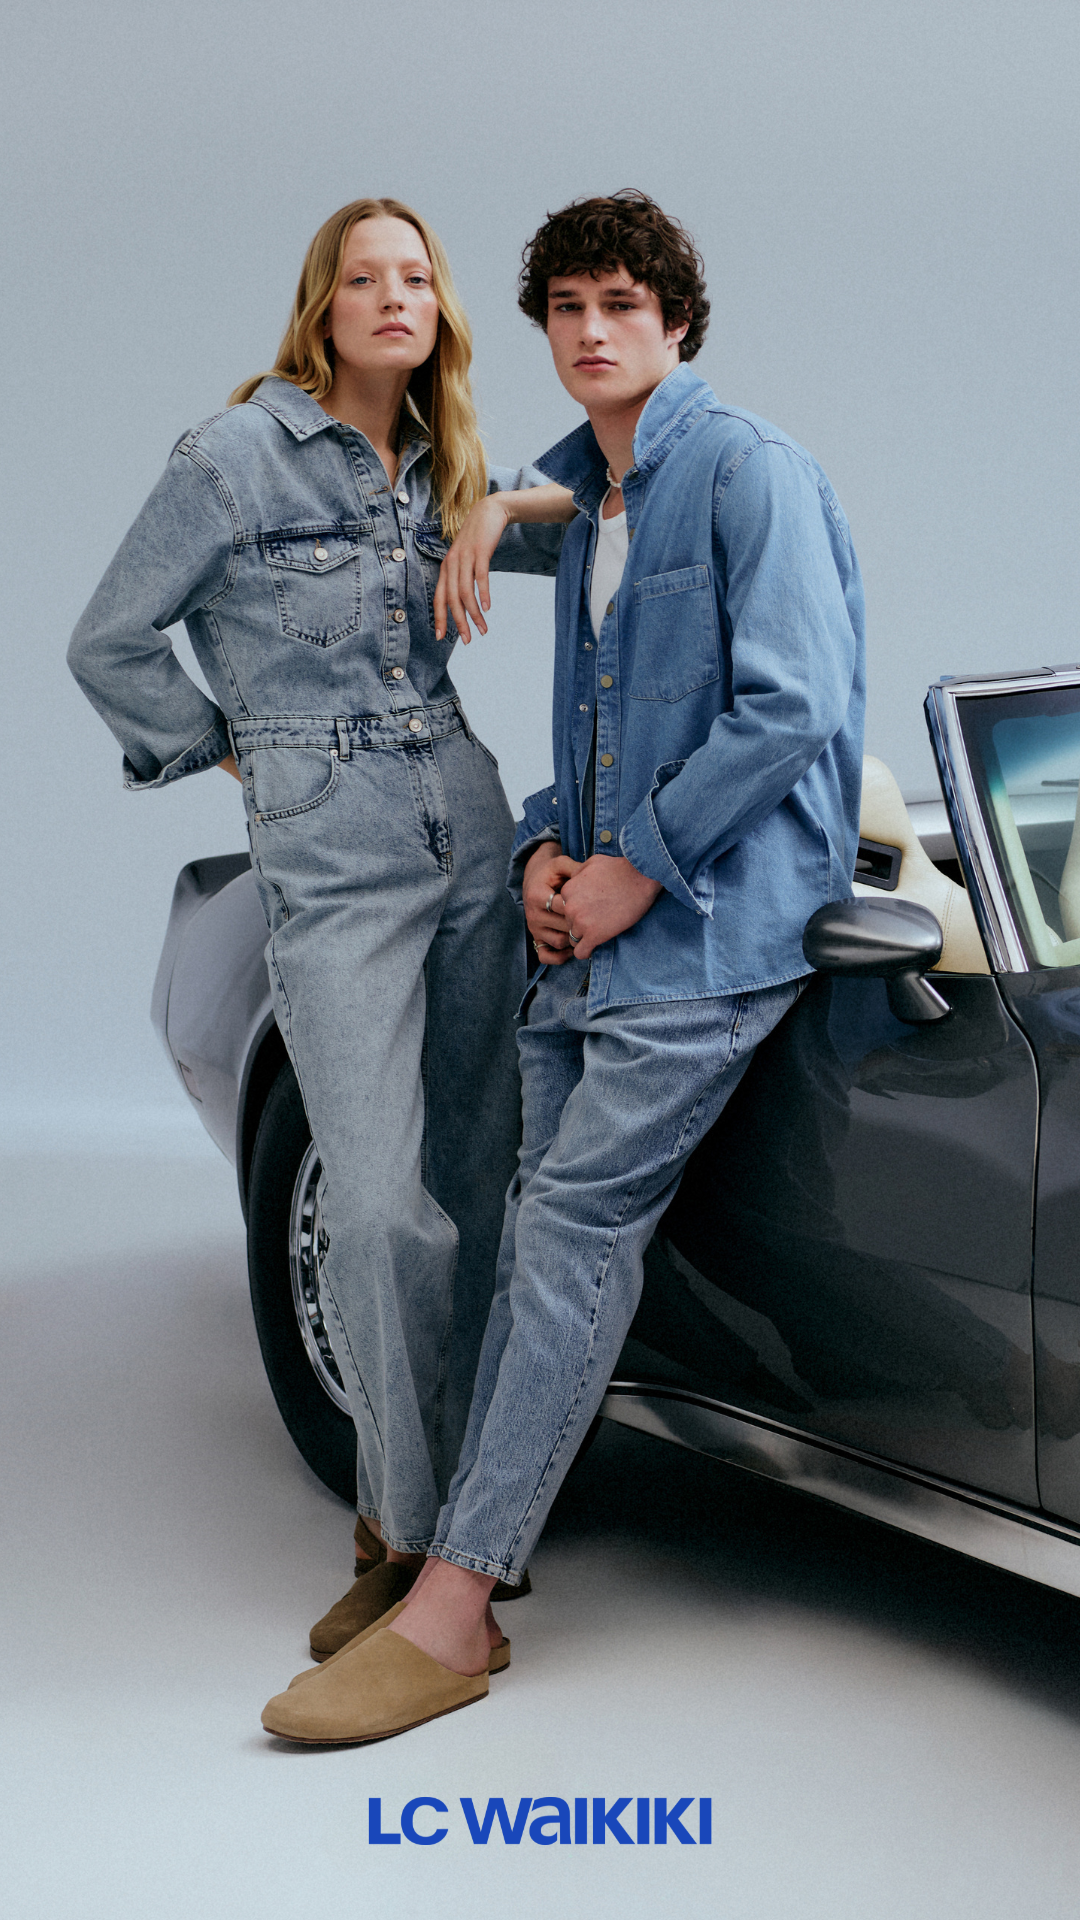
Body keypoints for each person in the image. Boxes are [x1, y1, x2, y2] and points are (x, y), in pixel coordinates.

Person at [261, 189, 866, 1746]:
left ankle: (456, 1608)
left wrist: (630, 868)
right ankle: (439, 1543)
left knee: (574, 1229)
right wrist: (543, 847)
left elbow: (792, 707)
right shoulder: (591, 490)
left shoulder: (746, 471)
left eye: (623, 305)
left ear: (678, 319)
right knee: (508, 1212)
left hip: (710, 928)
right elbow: (589, 697)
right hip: (588, 919)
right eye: (568, 309)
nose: (594, 332)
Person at [67, 197, 575, 1654]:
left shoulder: (443, 459)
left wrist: (500, 507)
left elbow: (609, 504)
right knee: (378, 1205)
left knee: (480, 1183)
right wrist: (234, 750)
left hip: (464, 819)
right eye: (366, 277)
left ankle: (469, 1538)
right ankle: (405, 1532)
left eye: (417, 277)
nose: (394, 296)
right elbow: (109, 637)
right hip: (334, 849)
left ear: (440, 309)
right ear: (323, 305)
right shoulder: (234, 458)